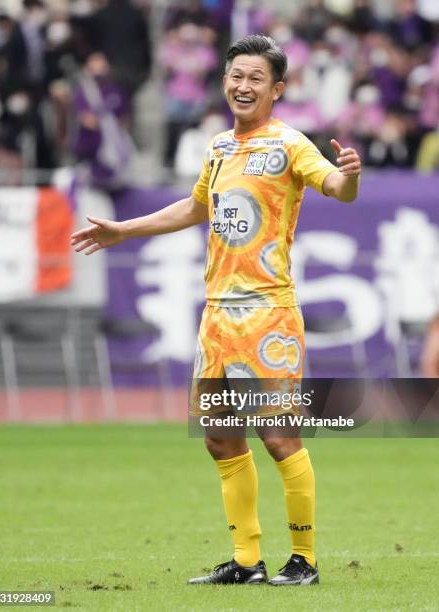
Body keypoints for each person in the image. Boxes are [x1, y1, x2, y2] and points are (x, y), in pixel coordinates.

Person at [71, 35, 362, 586]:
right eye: (235, 76)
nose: (242, 86)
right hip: (217, 316)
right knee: (221, 436)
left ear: (277, 89)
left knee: (279, 438)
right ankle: (247, 563)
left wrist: (350, 174)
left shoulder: (291, 144)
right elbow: (196, 207)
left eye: (255, 78)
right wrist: (123, 230)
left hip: (268, 313)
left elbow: (336, 187)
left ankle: (305, 560)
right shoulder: (219, 147)